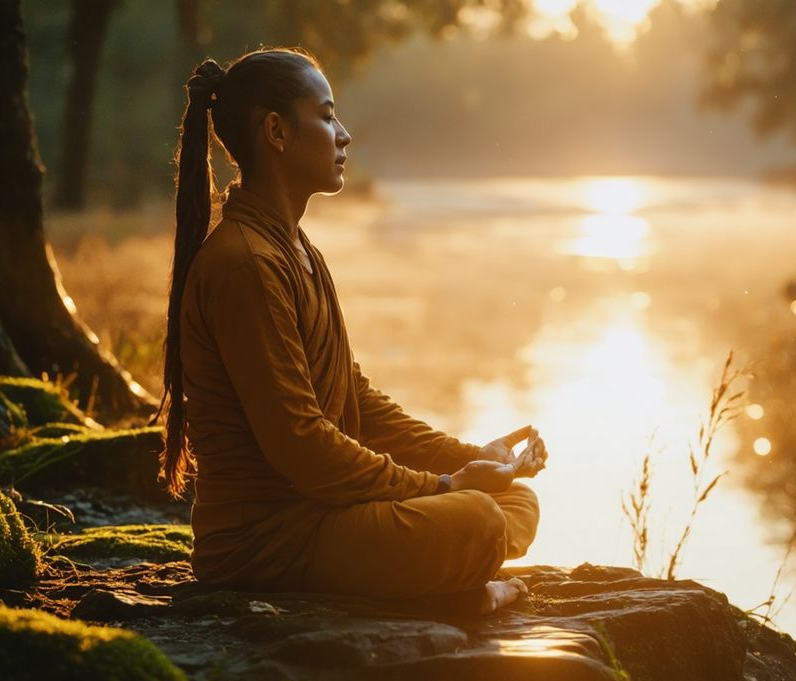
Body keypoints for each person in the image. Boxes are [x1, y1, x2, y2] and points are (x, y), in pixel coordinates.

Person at [153, 48, 545, 615]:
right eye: (327, 115)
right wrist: (445, 487)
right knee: (478, 518)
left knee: (515, 501)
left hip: (327, 514)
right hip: (265, 542)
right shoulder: (246, 264)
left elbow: (357, 400)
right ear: (276, 132)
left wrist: (470, 458)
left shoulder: (297, 251)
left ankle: (449, 581)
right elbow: (304, 446)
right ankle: (454, 595)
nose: (344, 134)